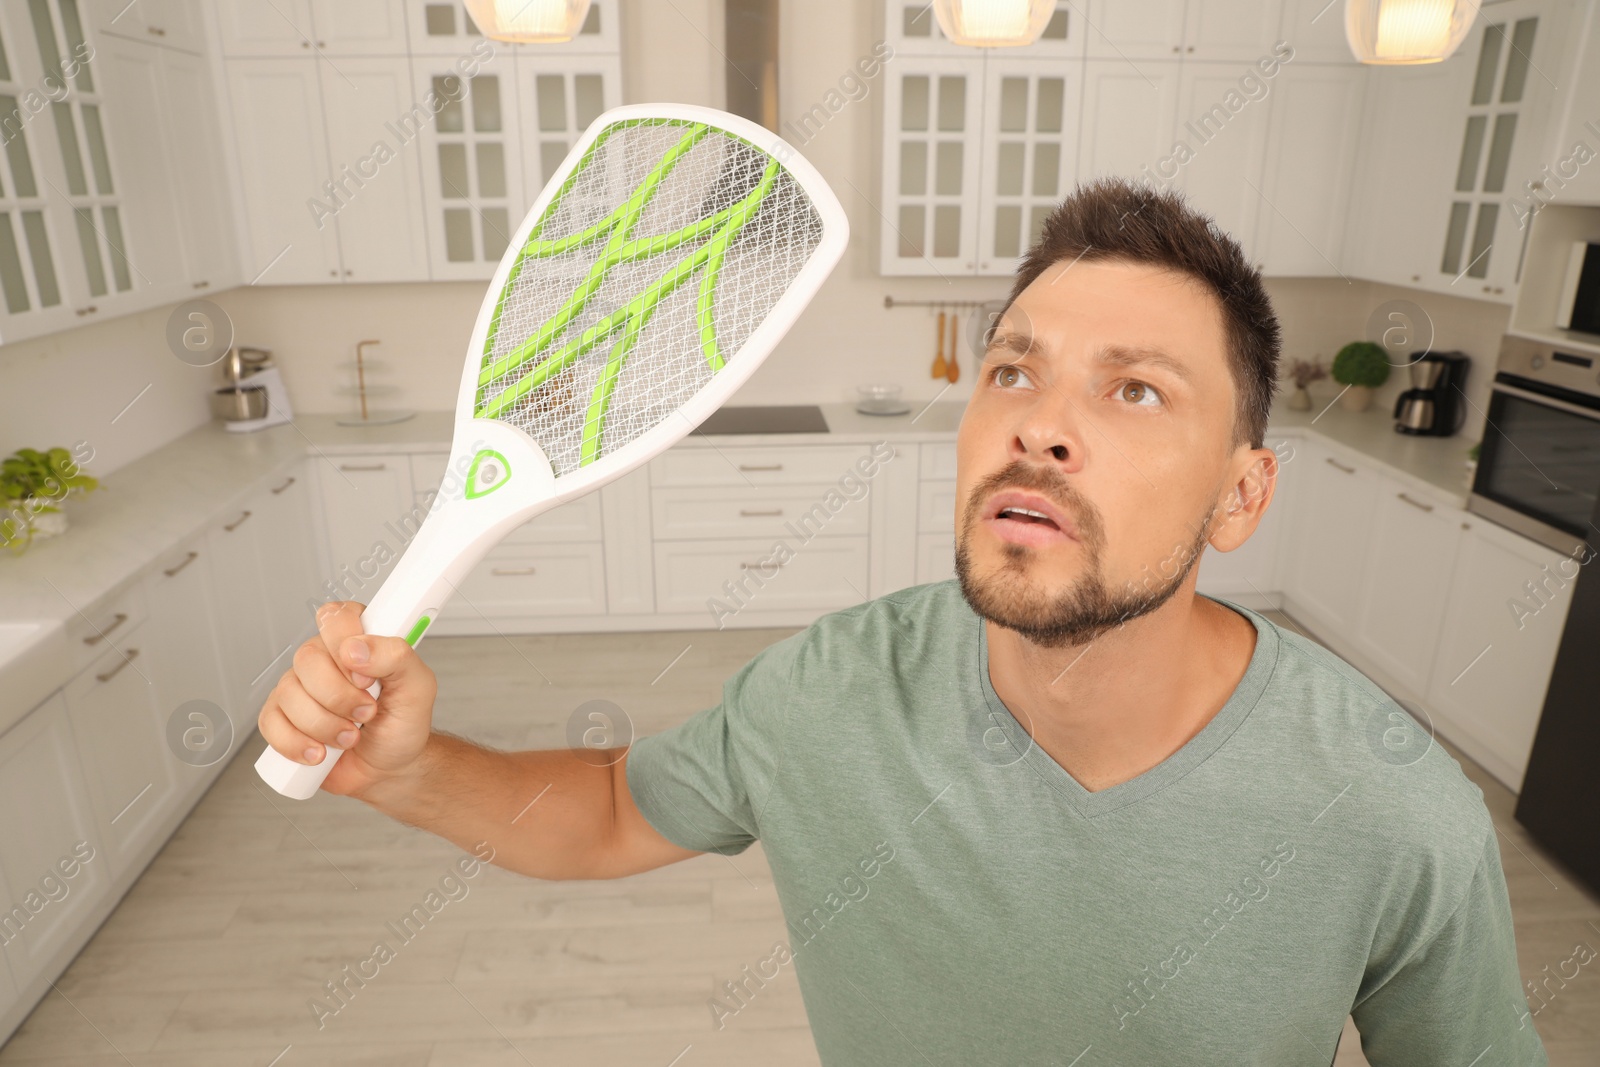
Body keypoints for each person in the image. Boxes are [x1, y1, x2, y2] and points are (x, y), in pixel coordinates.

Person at [259, 176, 1545, 1065]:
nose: (1040, 419)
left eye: (1136, 390)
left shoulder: (1390, 813)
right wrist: (411, 771)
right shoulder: (827, 693)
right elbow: (607, 808)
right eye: (1012, 369)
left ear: (1239, 493)